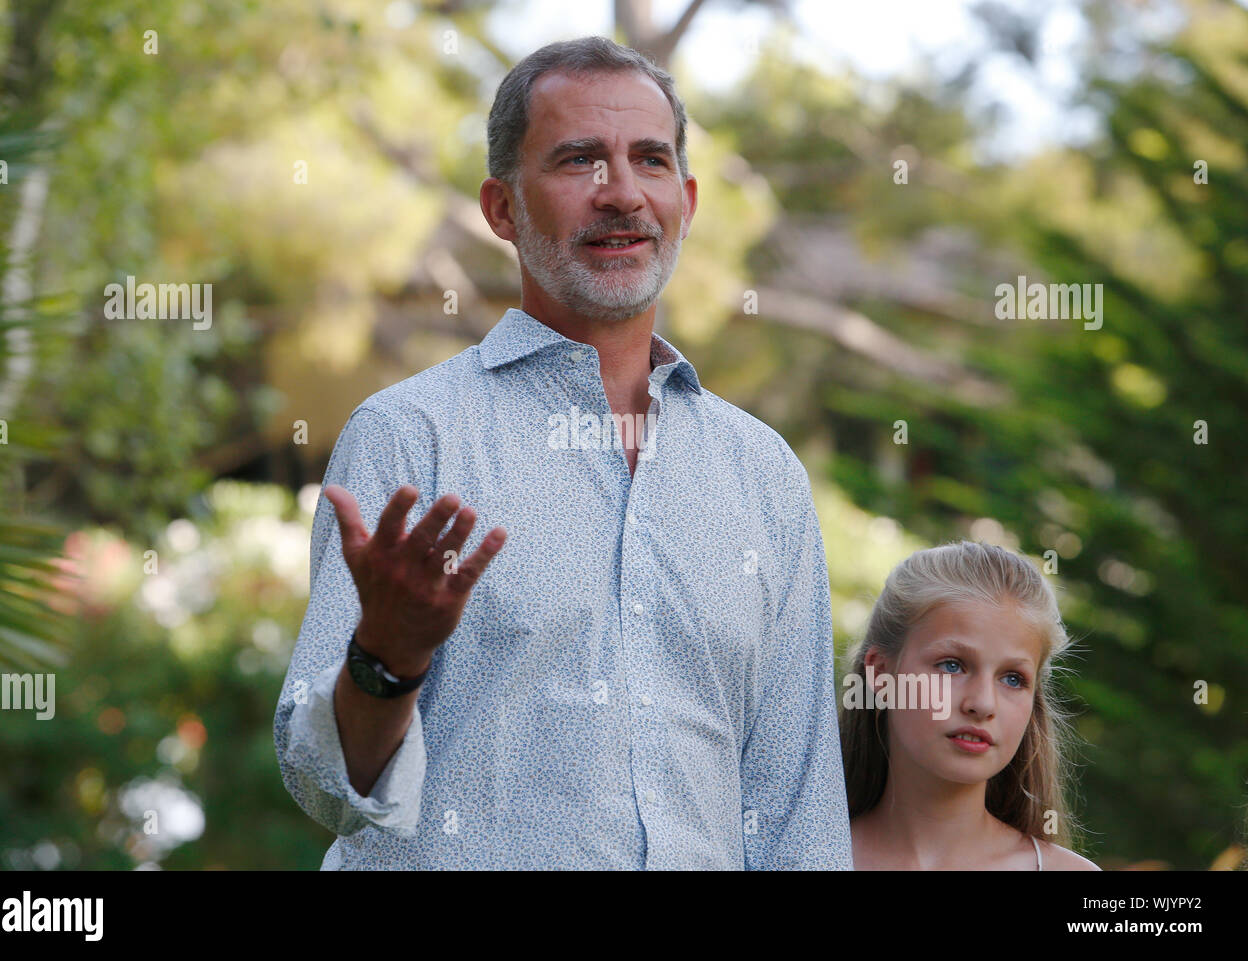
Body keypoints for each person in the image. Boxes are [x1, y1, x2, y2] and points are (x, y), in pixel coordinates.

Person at [273, 35, 852, 869]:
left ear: (685, 197)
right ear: (502, 208)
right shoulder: (410, 436)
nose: (621, 194)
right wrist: (386, 660)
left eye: (649, 160)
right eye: (579, 160)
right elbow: (325, 784)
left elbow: (799, 807)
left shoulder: (764, 476)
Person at [841, 541, 1100, 869]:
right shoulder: (799, 858)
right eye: (952, 665)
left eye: (1012, 679)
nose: (982, 704)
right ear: (880, 673)